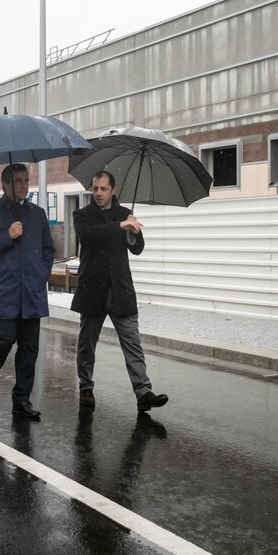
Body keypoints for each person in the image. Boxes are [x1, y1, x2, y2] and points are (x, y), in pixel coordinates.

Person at [71, 170, 168, 413]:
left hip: (120, 289)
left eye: (103, 189)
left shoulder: (125, 214)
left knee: (132, 342)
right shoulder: (82, 215)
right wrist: (120, 225)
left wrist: (134, 233)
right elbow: (89, 236)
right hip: (92, 288)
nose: (99, 193)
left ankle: (143, 391)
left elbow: (137, 249)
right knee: (87, 343)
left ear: (113, 190)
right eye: (95, 189)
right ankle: (86, 387)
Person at [0, 163, 54, 420]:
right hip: (4, 291)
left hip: (32, 292)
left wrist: (42, 274)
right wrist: (7, 235)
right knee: (4, 339)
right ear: (5, 184)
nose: (24, 186)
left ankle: (21, 400)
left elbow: (49, 250)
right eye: (18, 181)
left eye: (26, 181)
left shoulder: (37, 214)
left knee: (29, 349)